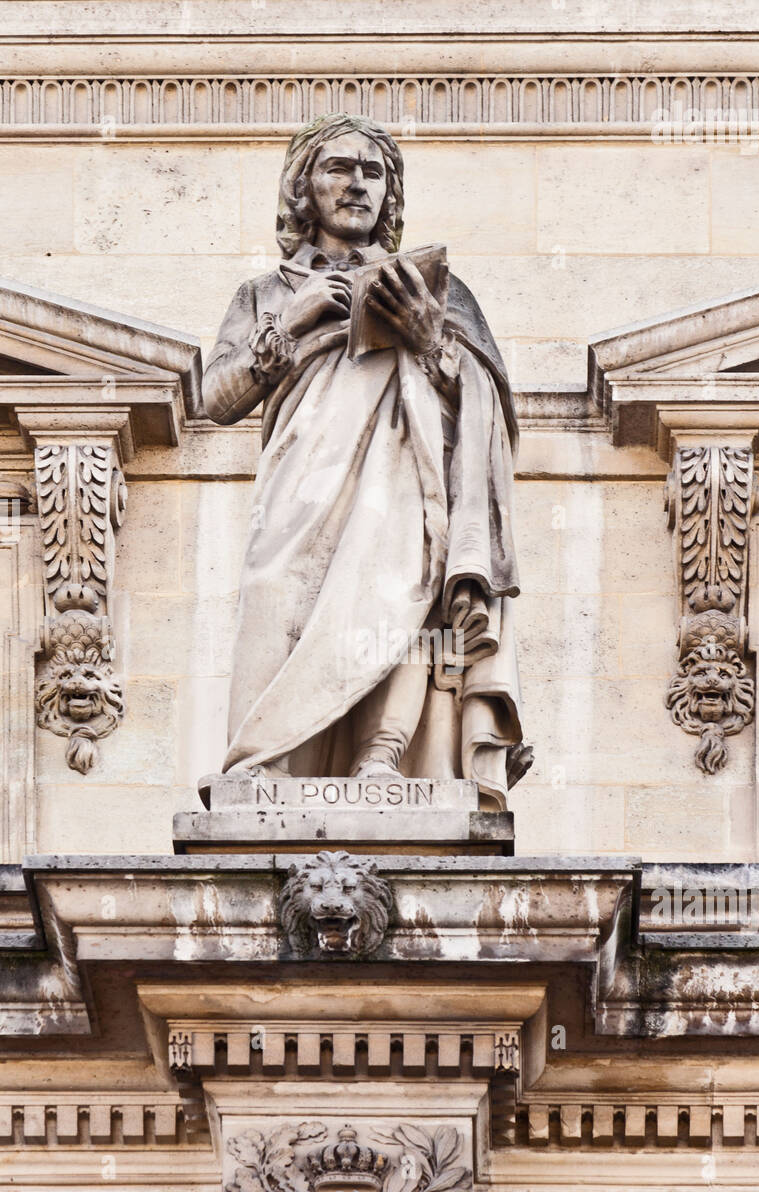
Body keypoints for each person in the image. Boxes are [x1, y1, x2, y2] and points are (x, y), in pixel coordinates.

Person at [203, 113, 529, 809]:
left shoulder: (440, 291)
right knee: (275, 594)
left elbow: (488, 406)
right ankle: (264, 762)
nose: (356, 184)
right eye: (337, 168)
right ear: (304, 188)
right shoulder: (266, 292)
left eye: (373, 172)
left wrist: (427, 335)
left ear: (390, 194)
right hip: (300, 481)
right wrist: (294, 319)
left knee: (393, 591)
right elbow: (217, 400)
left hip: (403, 475)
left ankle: (380, 759)